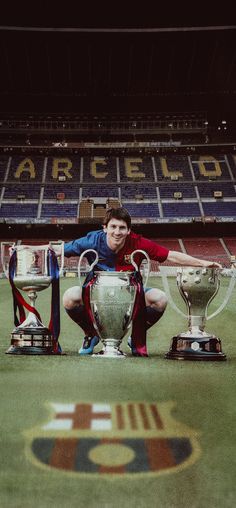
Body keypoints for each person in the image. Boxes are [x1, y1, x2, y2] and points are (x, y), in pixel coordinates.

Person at [63, 207, 222, 356]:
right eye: (113, 227)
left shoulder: (137, 242)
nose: (117, 232)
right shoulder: (92, 241)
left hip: (129, 296)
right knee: (69, 297)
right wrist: (40, 252)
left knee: (160, 299)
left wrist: (202, 263)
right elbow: (61, 249)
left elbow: (169, 255)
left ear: (128, 230)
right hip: (97, 294)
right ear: (105, 227)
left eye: (122, 227)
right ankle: (91, 334)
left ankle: (136, 337)